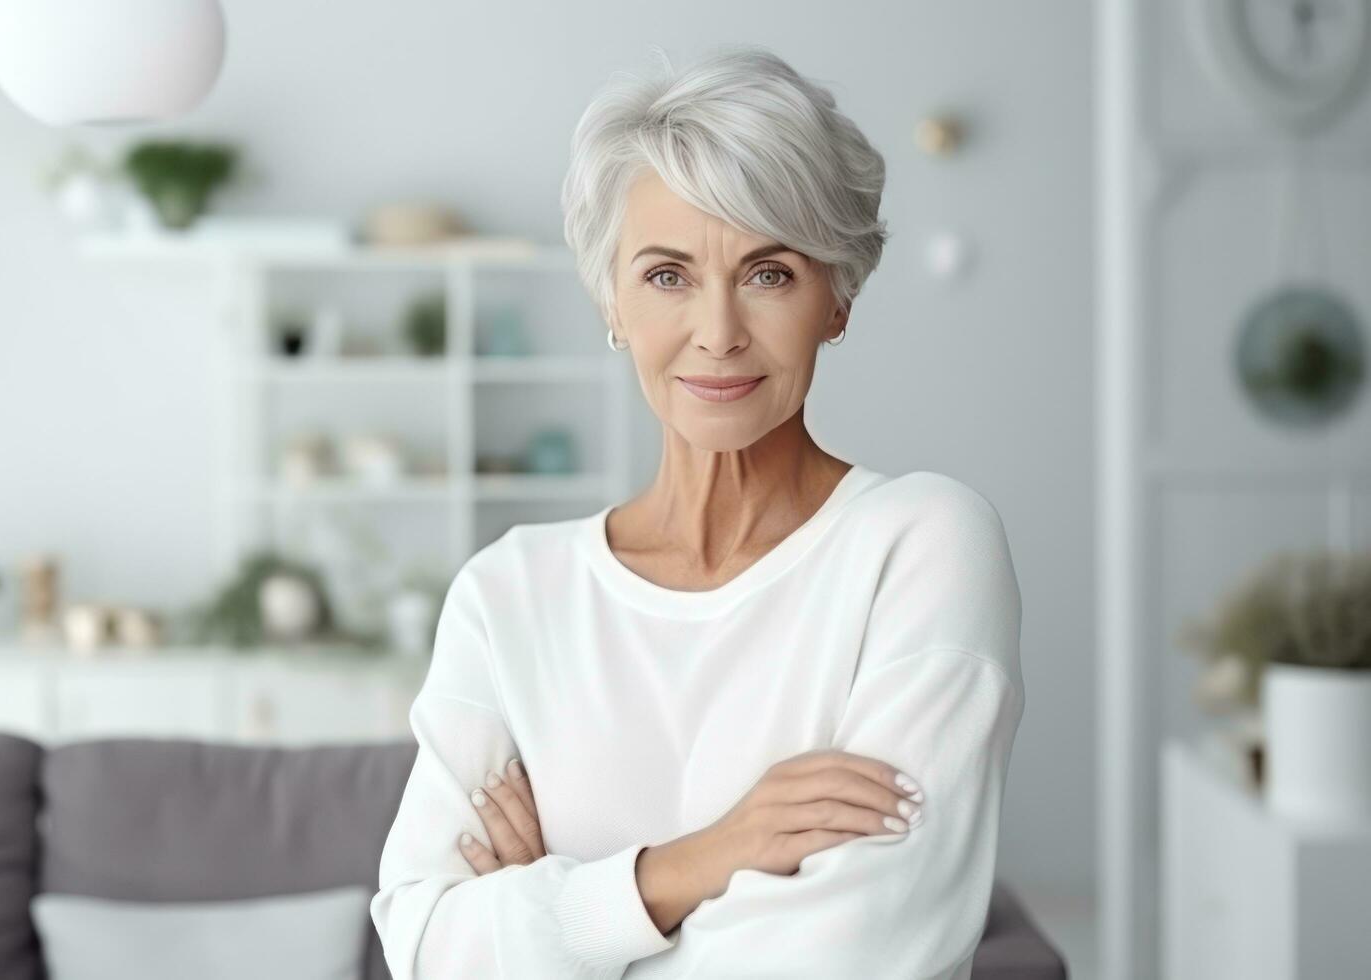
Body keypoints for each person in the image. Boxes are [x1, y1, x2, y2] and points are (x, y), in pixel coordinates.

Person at [370, 42, 1025, 980]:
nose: (717, 333)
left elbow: (855, 955)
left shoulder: (919, 545)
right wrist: (696, 862)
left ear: (836, 299)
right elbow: (429, 947)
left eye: (769, 274)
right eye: (667, 275)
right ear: (612, 300)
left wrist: (560, 919)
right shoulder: (509, 593)